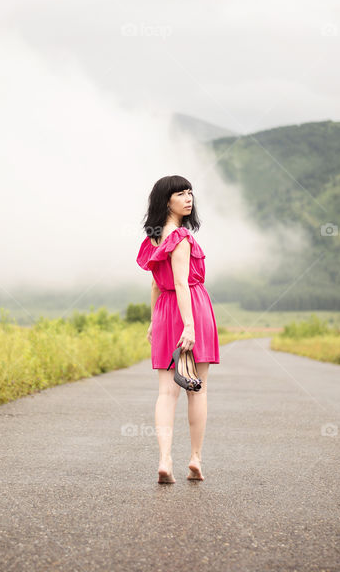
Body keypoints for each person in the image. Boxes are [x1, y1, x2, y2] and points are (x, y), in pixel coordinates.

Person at [136, 175, 220, 483]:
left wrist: (153, 320)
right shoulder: (181, 237)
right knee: (197, 388)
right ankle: (195, 458)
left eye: (190, 192)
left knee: (166, 392)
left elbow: (156, 285)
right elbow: (182, 284)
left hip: (164, 311)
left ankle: (165, 459)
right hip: (191, 308)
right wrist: (189, 326)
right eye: (180, 194)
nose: (188, 198)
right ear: (166, 200)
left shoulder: (154, 239)